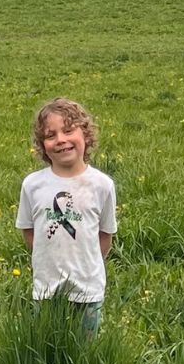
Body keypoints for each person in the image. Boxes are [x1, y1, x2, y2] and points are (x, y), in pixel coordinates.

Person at [15, 97, 116, 336]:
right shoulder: (33, 185)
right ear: (42, 145)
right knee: (47, 344)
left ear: (86, 135)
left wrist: (87, 262)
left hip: (88, 287)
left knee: (86, 349)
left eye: (69, 130)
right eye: (51, 135)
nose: (61, 140)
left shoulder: (102, 185)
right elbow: (29, 231)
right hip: (47, 288)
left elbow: (105, 234)